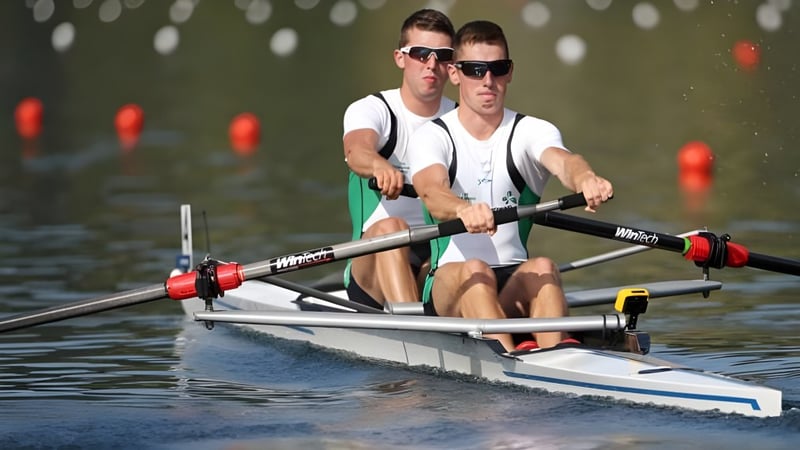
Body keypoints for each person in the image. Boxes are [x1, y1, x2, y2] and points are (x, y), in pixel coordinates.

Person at [408, 20, 613, 351]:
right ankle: (510, 374)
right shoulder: (432, 136)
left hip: (511, 281)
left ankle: (558, 362)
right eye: (475, 70)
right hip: (450, 282)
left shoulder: (531, 130)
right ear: (455, 73)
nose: (488, 80)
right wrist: (462, 209)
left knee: (544, 267)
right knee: (475, 270)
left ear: (510, 71)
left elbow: (564, 161)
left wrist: (585, 178)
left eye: (497, 68)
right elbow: (432, 192)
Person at [342, 9, 457, 310]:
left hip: (434, 251)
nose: (431, 65)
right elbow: (356, 151)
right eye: (420, 53)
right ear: (400, 58)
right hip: (374, 259)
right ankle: (418, 335)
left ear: (452, 65)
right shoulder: (373, 109)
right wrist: (380, 165)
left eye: (442, 55)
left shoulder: (462, 121)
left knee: (468, 251)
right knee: (392, 227)